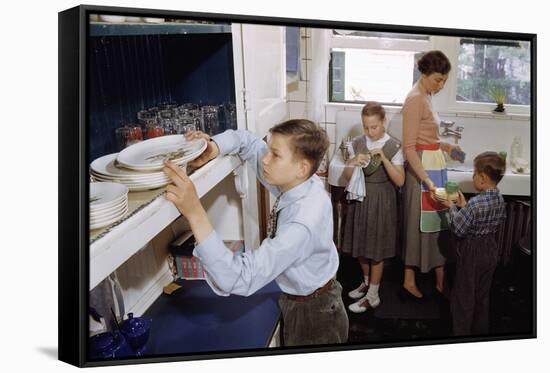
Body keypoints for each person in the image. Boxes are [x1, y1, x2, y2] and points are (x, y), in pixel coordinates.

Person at [163, 120, 349, 346]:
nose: (265, 159)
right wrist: (212, 147)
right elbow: (248, 142)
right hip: (311, 299)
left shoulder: (301, 224)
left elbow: (241, 277)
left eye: (275, 155)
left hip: (314, 316)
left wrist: (194, 212)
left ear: (302, 167)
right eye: (269, 149)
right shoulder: (302, 184)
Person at [401, 50, 464, 299]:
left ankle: (439, 280)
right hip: (422, 171)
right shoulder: (415, 99)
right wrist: (426, 180)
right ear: (425, 74)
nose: (441, 85)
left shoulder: (427, 94)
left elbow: (428, 136)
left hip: (434, 165)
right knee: (417, 226)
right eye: (438, 79)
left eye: (444, 81)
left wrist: (448, 147)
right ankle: (408, 279)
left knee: (439, 223)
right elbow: (409, 147)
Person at [341, 102, 405, 312]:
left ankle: (374, 296)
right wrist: (353, 162)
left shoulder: (394, 146)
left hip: (382, 202)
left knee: (376, 251)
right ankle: (367, 284)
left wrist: (384, 159)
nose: (370, 131)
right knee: (361, 247)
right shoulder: (358, 142)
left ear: (383, 122)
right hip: (361, 200)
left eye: (374, 127)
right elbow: (347, 176)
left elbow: (400, 181)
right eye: (366, 127)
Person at [440, 152, 507, 336]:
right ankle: (480, 332)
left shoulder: (475, 204)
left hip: (472, 252)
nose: (472, 177)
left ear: (483, 178)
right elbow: (496, 219)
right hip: (490, 248)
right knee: (482, 295)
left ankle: (461, 334)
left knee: (464, 296)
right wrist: (464, 206)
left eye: (474, 173)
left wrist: (452, 208)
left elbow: (458, 229)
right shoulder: (499, 199)